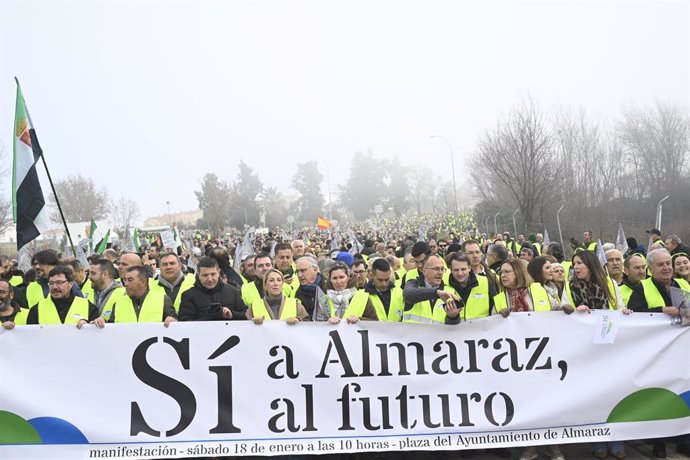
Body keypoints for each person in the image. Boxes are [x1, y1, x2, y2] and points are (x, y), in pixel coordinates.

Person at [100, 266, 177, 325]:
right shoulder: (118, 303)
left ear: (143, 282)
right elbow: (111, 328)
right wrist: (102, 322)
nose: (126, 284)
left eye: (130, 280)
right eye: (125, 280)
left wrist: (173, 322)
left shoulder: (162, 300)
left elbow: (176, 325)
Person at [178, 257, 247, 321]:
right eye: (205, 275)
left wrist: (232, 314)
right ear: (198, 275)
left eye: (213, 274)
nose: (210, 279)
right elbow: (185, 322)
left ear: (218, 273)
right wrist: (211, 317)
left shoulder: (232, 291)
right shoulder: (188, 296)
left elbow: (246, 315)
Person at [26, 266, 99, 327]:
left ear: (70, 284)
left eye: (59, 282)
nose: (54, 287)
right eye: (51, 283)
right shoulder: (36, 309)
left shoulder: (88, 306)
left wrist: (89, 326)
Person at [403, 254, 460, 324]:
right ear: (424, 271)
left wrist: (453, 317)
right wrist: (436, 293)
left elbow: (453, 328)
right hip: (414, 334)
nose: (440, 273)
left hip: (439, 335)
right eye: (436, 269)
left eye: (442, 269)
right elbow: (408, 295)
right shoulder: (413, 284)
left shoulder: (450, 291)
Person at [444, 253, 496, 323]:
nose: (460, 273)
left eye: (463, 269)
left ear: (469, 268)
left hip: (481, 332)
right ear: (451, 270)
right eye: (456, 270)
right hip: (455, 332)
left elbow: (495, 307)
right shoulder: (444, 286)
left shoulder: (485, 282)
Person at [361, 258, 404, 322]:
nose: (384, 284)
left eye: (387, 279)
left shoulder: (400, 293)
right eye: (380, 280)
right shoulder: (362, 295)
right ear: (372, 275)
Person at [294, 256, 328, 320]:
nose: (299, 275)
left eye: (303, 270)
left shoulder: (329, 288)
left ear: (315, 269)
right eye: (297, 272)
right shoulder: (297, 293)